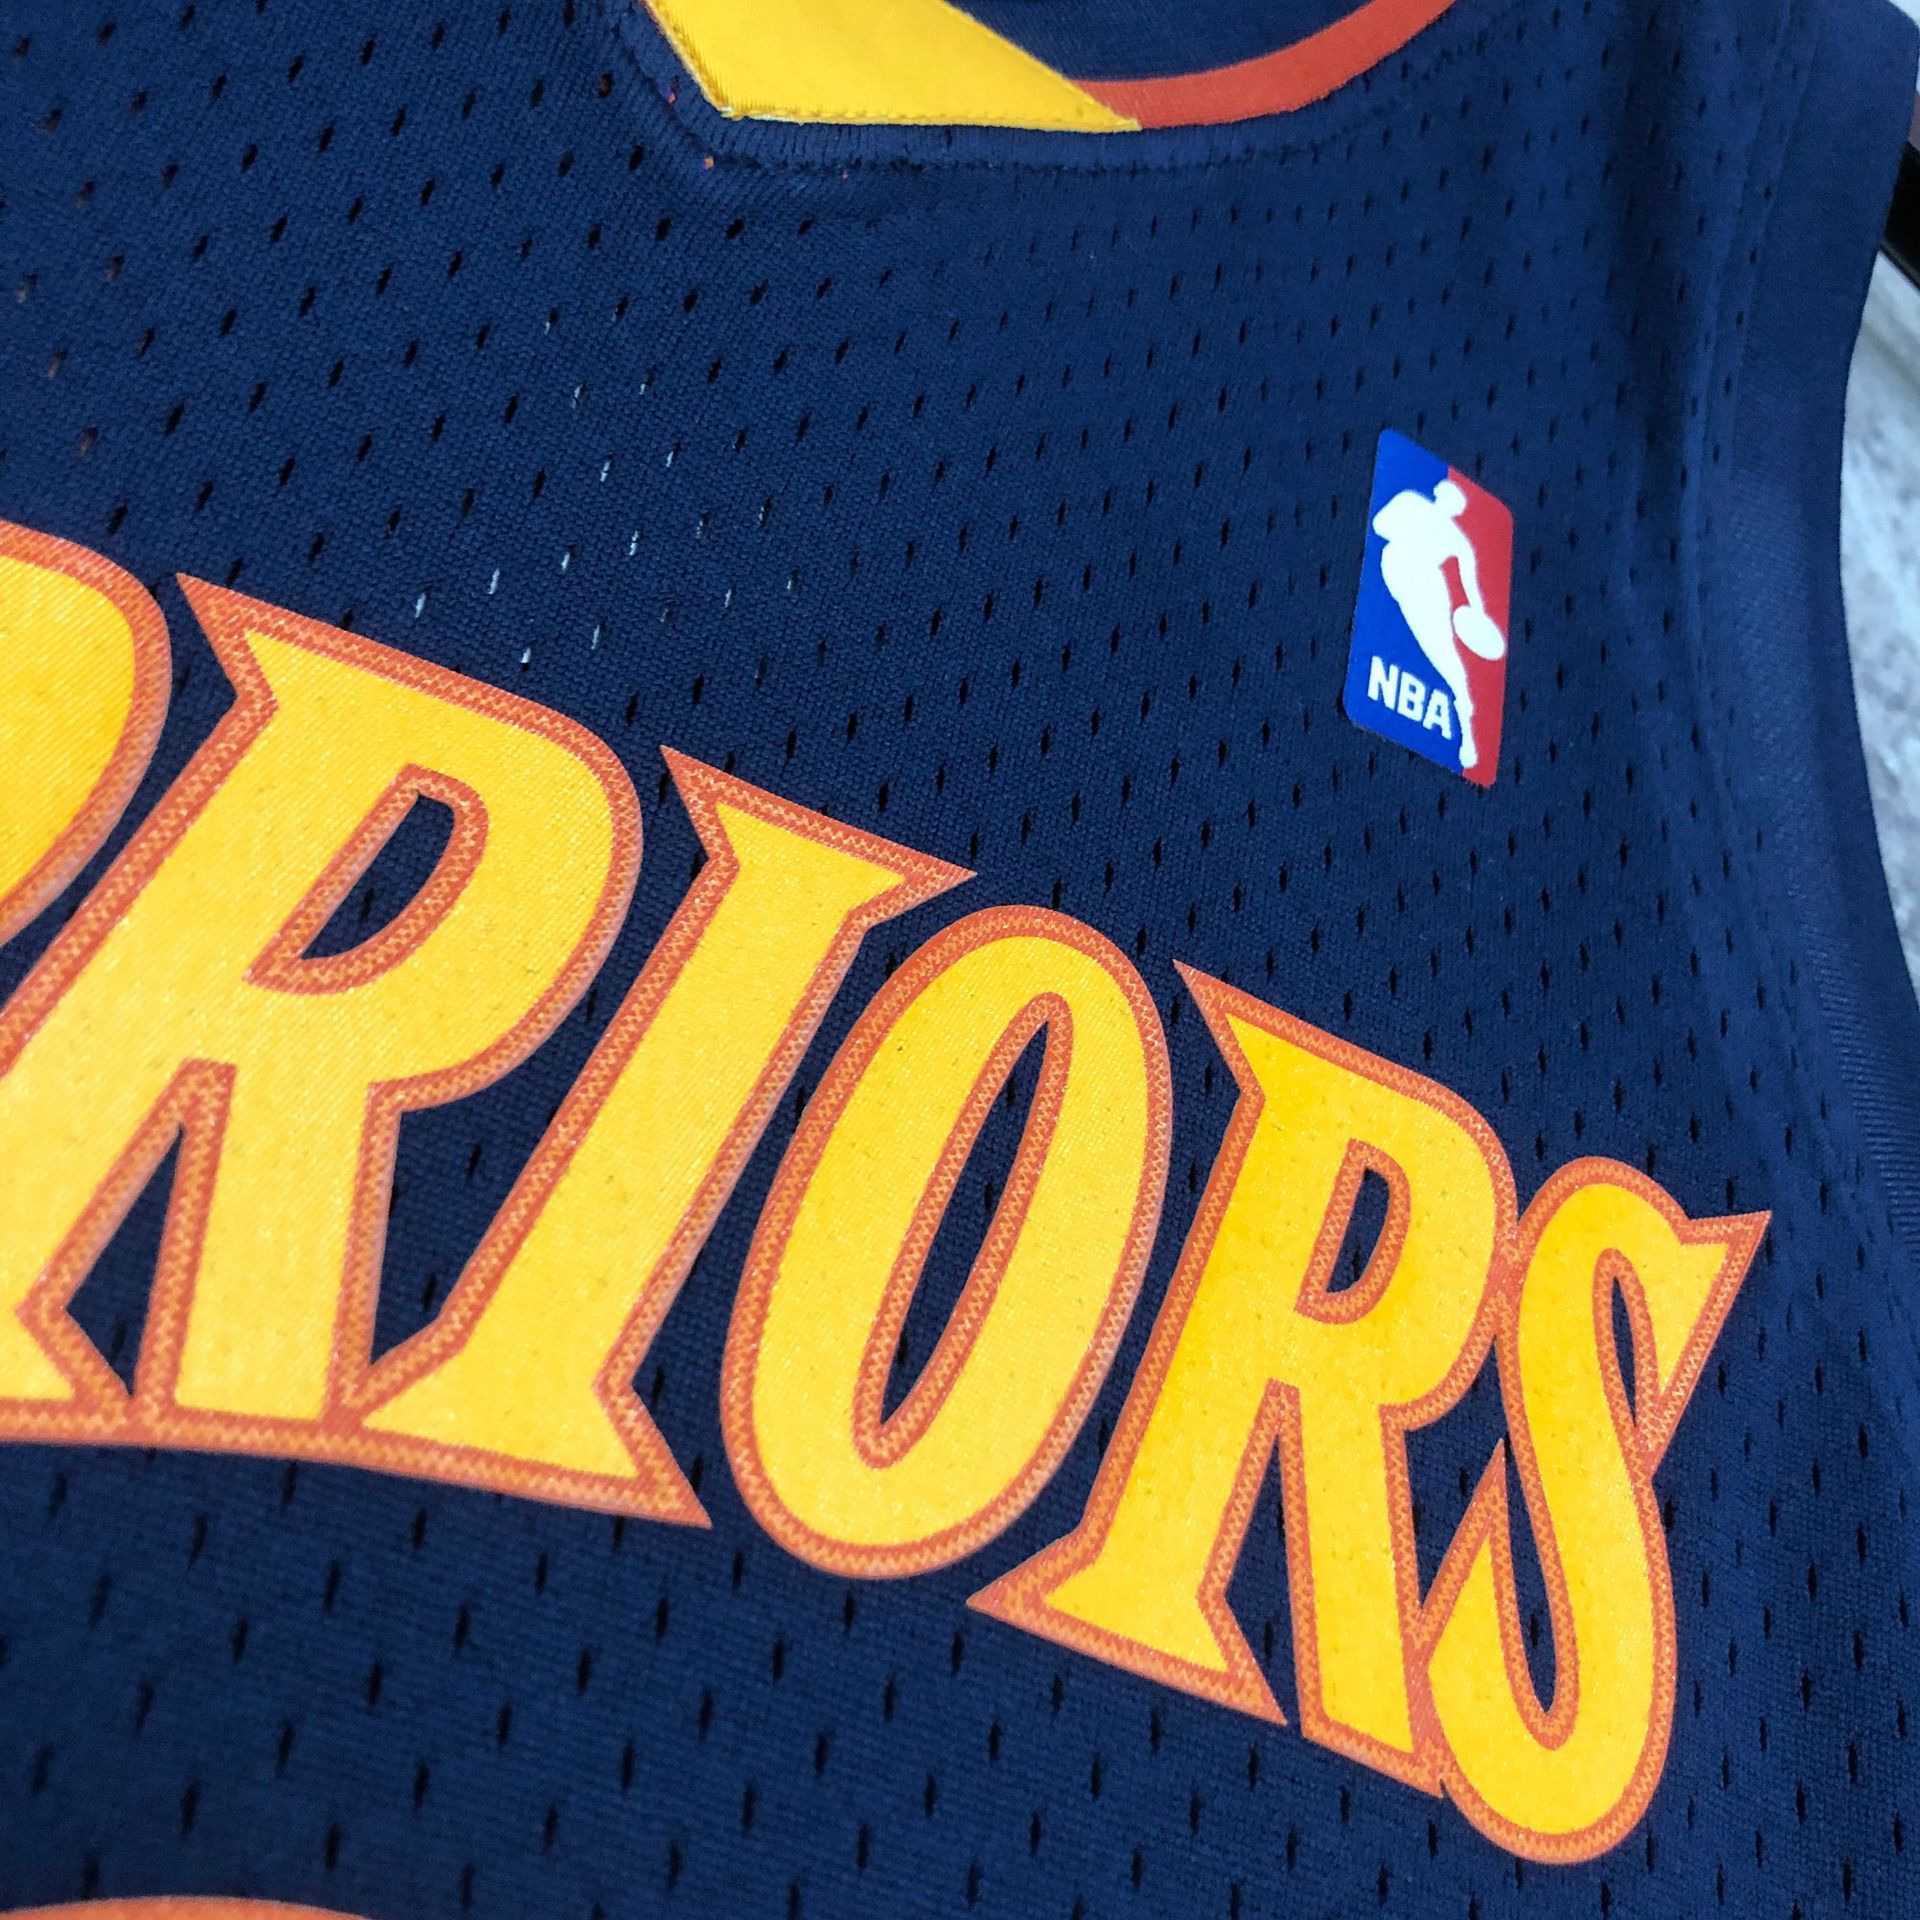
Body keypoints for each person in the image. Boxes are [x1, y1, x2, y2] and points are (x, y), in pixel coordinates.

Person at [1373, 477, 1507, 770]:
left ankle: (1467, 733)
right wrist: (1413, 529)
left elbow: (1470, 581)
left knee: (1446, 656)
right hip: (1399, 568)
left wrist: (1477, 615)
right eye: (1449, 500)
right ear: (1438, 495)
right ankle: (1462, 709)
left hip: (1430, 588)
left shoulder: (1456, 538)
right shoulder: (1411, 502)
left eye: (1456, 506)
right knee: (1424, 646)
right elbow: (1379, 525)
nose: (1452, 508)